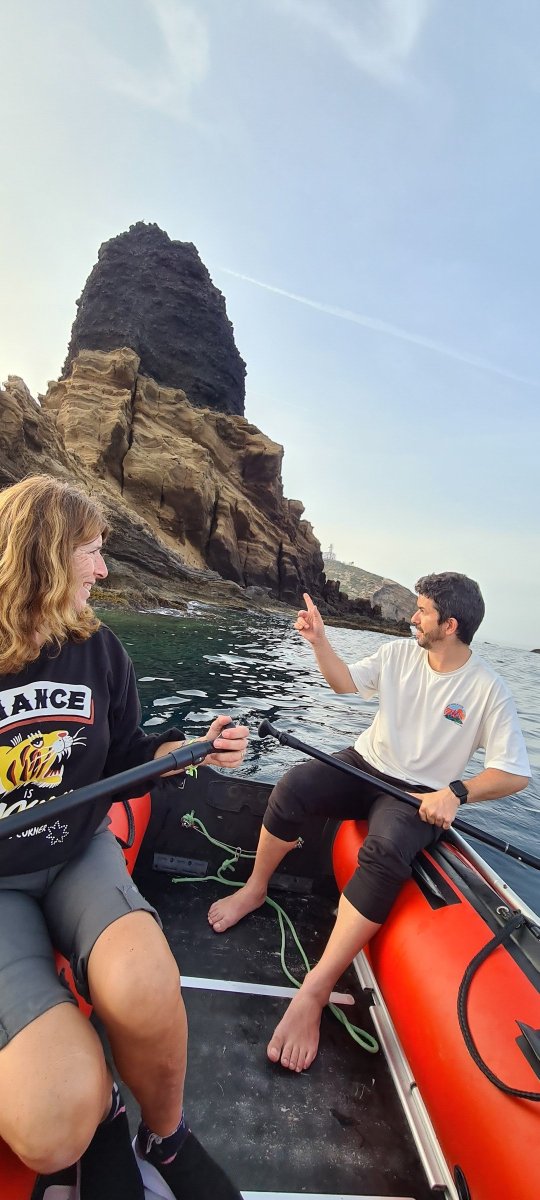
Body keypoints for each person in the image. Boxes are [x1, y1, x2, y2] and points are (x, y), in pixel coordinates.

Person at [0, 474, 249, 1200]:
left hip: (76, 853)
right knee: (50, 1120)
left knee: (145, 986)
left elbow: (124, 754)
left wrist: (178, 751)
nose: (104, 569)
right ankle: (103, 1109)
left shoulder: (100, 650)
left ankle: (164, 1138)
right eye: (92, 550)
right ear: (45, 551)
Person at [208, 573, 531, 1074]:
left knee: (384, 856)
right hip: (362, 763)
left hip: (418, 794)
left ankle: (315, 989)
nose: (412, 617)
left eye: (422, 611)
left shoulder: (488, 689)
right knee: (292, 787)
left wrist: (456, 792)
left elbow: (513, 774)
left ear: (450, 624)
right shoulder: (399, 655)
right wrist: (320, 642)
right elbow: (342, 683)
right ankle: (255, 887)